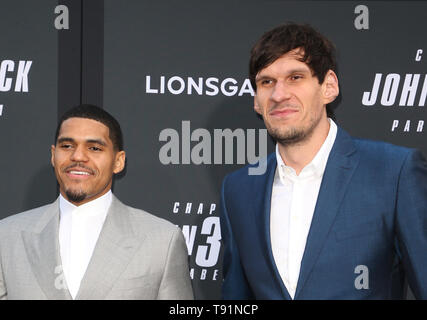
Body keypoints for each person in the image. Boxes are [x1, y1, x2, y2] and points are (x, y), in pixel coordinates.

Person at [220, 23, 427, 299]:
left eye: (295, 77)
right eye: (266, 82)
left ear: (328, 86)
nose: (279, 95)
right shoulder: (238, 189)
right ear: (257, 101)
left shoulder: (393, 172)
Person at [0, 104, 193, 300]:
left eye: (94, 148)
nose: (78, 156)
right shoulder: (6, 236)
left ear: (118, 161)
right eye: (67, 146)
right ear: (53, 155)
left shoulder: (162, 241)